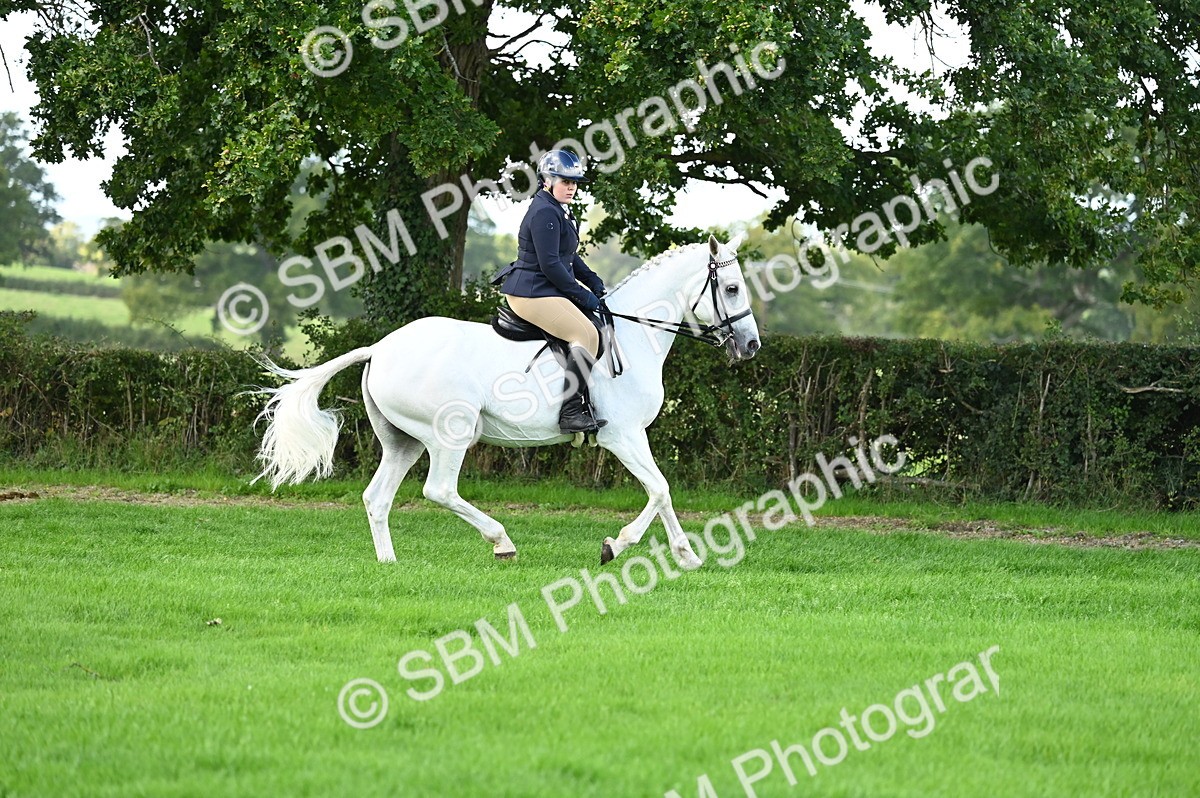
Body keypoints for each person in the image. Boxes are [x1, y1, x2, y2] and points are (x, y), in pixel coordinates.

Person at [493, 150, 608, 434]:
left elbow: (568, 255)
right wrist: (584, 296)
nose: (571, 187)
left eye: (575, 182)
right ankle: (570, 413)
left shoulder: (558, 209)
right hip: (531, 292)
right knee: (587, 334)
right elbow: (552, 265)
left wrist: (591, 279)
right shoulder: (545, 211)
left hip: (545, 287)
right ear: (547, 180)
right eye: (565, 181)